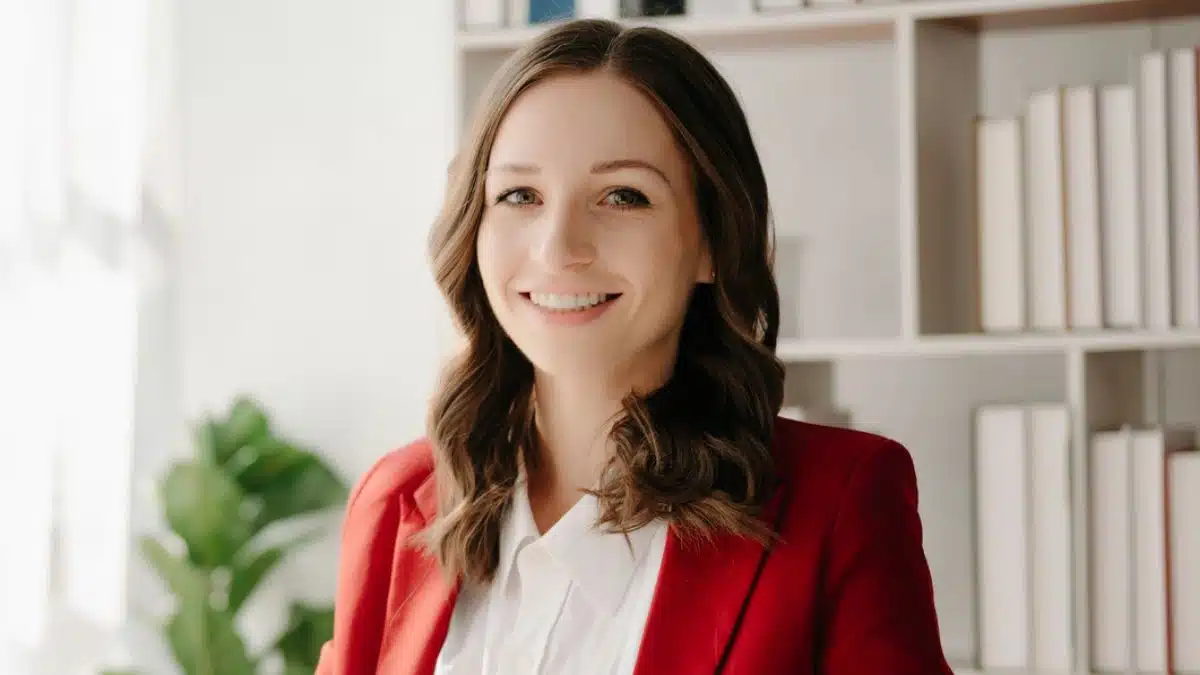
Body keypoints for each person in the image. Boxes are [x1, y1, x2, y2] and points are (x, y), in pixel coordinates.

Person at [316, 17, 954, 675]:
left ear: (710, 241)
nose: (559, 247)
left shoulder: (841, 502)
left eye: (623, 195)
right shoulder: (396, 502)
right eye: (519, 195)